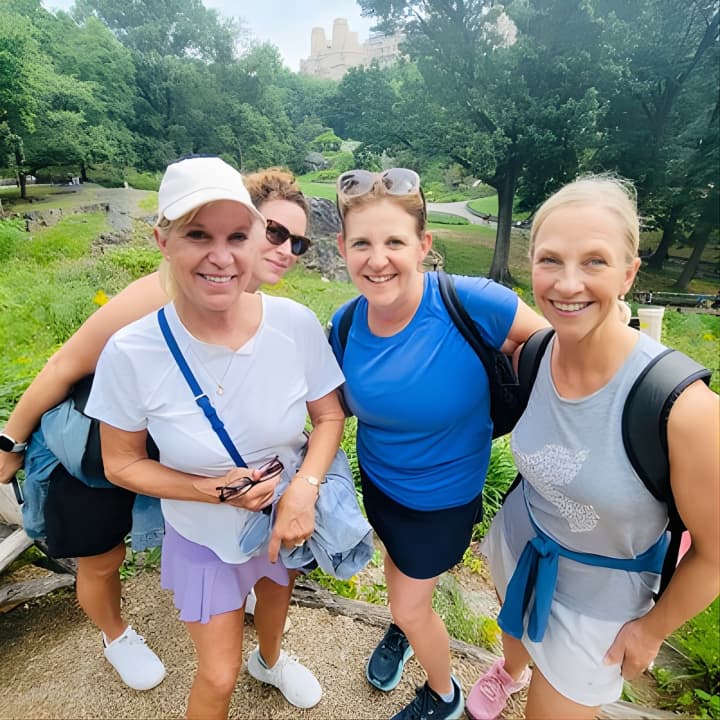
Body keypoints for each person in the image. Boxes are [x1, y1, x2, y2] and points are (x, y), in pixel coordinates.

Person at [0, 164, 316, 692]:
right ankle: (116, 635)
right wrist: (10, 442)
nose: (283, 249)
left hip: (170, 456)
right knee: (102, 557)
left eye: (297, 242)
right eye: (275, 231)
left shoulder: (270, 316)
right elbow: (65, 364)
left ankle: (241, 609)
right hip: (92, 448)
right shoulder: (158, 296)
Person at [84, 155, 345, 719]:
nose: (221, 256)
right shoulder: (131, 351)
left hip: (279, 521)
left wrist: (304, 489)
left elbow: (328, 417)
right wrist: (211, 490)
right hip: (201, 536)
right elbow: (120, 463)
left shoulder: (294, 325)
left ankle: (270, 661)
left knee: (275, 606)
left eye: (237, 237)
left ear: (255, 241)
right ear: (163, 240)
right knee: (218, 676)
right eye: (198, 235)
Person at [465, 176, 720, 720]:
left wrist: (652, 631)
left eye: (595, 262)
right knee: (514, 637)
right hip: (520, 547)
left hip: (599, 609)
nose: (567, 283)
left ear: (629, 273)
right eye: (550, 260)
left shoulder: (684, 409)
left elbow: (716, 554)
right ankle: (510, 671)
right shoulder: (534, 354)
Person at [327, 168, 547, 720]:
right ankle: (406, 624)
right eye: (362, 243)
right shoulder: (346, 324)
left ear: (423, 245)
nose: (378, 259)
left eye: (395, 242)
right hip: (380, 485)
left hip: (442, 501)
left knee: (408, 600)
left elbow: (554, 353)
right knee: (400, 577)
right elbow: (330, 406)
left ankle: (443, 694)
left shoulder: (471, 302)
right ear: (343, 248)